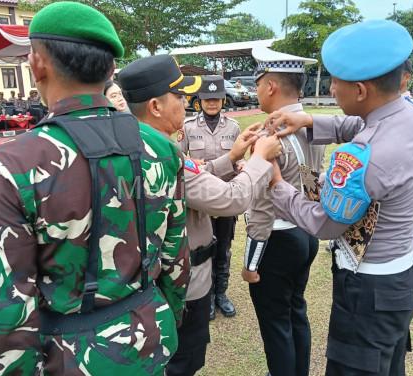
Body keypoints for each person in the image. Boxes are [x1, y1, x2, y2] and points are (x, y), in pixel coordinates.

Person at [0, 3, 190, 375]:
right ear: (110, 69)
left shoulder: (13, 165)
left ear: (37, 64)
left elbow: (7, 305)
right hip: (151, 340)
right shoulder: (160, 148)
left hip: (71, 358)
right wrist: (160, 319)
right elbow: (175, 262)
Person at [267, 20, 413, 375]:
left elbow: (324, 224)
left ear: (359, 90)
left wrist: (276, 184)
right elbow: (362, 124)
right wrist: (309, 121)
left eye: (336, 81)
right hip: (402, 277)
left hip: (368, 292)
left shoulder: (361, 158)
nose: (331, 87)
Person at [119, 54, 282, 376]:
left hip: (141, 284)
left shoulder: (131, 147)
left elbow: (192, 175)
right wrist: (260, 160)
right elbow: (231, 199)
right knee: (183, 362)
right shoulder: (165, 156)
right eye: (180, 96)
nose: (187, 103)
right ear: (156, 106)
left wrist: (231, 157)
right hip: (183, 284)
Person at [240, 46, 325, 376]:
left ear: (271, 86)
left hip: (276, 240)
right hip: (306, 233)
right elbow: (313, 180)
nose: (255, 90)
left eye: (258, 83)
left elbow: (261, 208)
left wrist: (249, 263)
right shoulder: (311, 125)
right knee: (295, 312)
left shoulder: (270, 134)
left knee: (276, 326)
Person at [179, 75, 241, 319]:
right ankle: (207, 297)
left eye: (216, 98)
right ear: (200, 101)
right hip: (200, 203)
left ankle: (221, 294)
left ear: (223, 99)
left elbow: (236, 160)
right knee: (202, 249)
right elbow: (180, 160)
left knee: (224, 248)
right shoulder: (188, 127)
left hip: (225, 200)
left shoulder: (233, 127)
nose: (212, 103)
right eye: (207, 99)